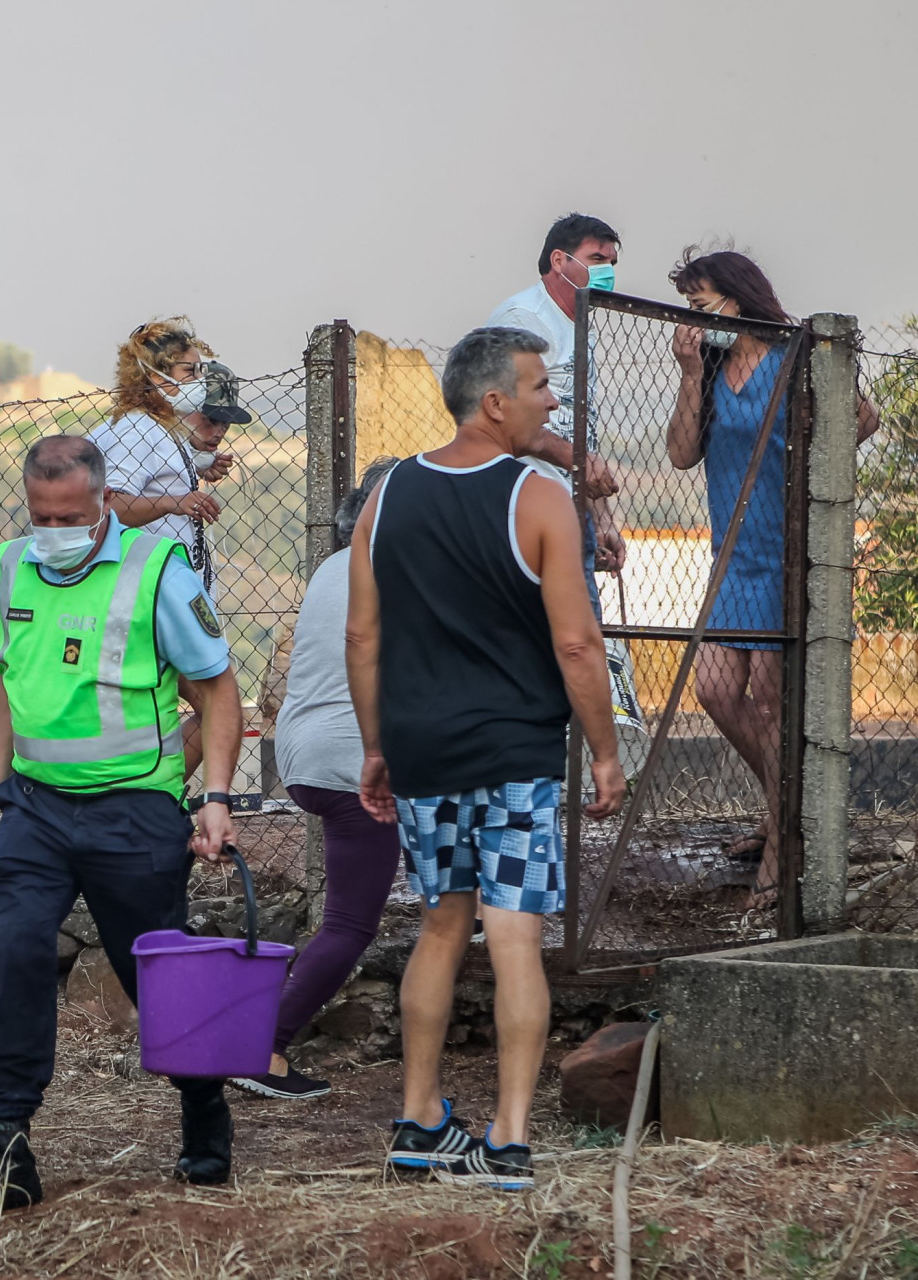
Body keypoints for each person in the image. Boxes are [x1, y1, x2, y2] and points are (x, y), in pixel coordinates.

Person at [0, 435, 244, 1216]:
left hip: (135, 808)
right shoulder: (9, 565)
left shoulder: (157, 571)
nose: (54, 529)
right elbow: (13, 681)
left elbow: (218, 689)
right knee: (12, 948)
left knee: (156, 973)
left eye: (69, 514)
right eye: (41, 515)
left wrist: (215, 796)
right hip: (33, 807)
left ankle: (203, 1105)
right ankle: (5, 1148)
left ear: (106, 501)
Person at [347, 328, 626, 1191]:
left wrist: (376, 746)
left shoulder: (386, 495)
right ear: (495, 400)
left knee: (440, 926)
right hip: (514, 750)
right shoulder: (538, 497)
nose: (552, 402)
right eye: (541, 387)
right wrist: (607, 755)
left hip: (423, 748)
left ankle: (417, 1118)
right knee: (513, 939)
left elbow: (363, 634)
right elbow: (577, 645)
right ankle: (507, 1139)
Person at [666, 248, 879, 904]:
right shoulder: (711, 367)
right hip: (732, 556)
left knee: (771, 696)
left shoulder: (798, 356)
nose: (695, 320)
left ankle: (786, 843)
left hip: (787, 555)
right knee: (715, 690)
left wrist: (816, 476)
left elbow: (865, 417)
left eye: (702, 307)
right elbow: (679, 454)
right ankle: (787, 810)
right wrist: (688, 371)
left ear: (737, 297)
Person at [230, 455, 401, 1103]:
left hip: (303, 753)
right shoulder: (400, 565)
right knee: (350, 925)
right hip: (355, 756)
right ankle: (264, 1046)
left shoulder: (333, 566)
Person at [487, 213, 628, 613]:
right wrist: (578, 460)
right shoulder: (524, 320)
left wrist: (600, 519)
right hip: (525, 506)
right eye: (597, 259)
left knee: (577, 636)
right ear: (559, 261)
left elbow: (580, 429)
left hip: (569, 509)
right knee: (561, 640)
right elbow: (507, 419)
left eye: (612, 264)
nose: (607, 272)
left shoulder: (581, 326)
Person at [89, 319, 235, 592]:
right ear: (156, 376)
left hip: (164, 580)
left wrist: (198, 467)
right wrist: (175, 502)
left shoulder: (157, 426)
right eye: (189, 372)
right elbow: (110, 506)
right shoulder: (137, 428)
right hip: (149, 585)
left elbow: (152, 472)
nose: (199, 382)